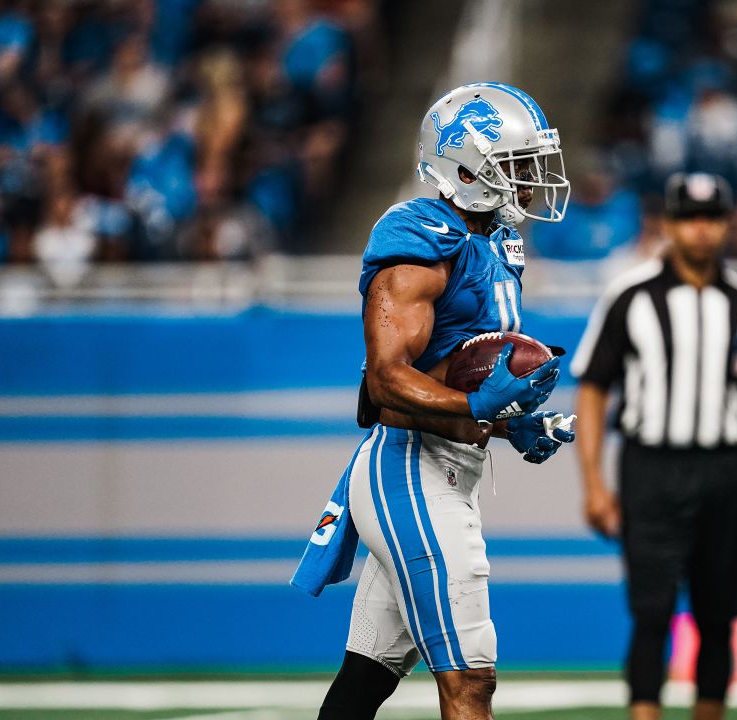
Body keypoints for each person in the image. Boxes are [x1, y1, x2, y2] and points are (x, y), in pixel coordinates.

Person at [290, 82, 574, 720]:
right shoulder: (419, 236)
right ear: (467, 164)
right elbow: (385, 383)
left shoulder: (496, 244)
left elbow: (458, 374)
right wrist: (477, 411)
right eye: (516, 163)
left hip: (446, 465)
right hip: (409, 470)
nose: (530, 181)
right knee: (470, 679)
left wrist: (513, 422)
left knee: (367, 676)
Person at [573, 172, 737, 720]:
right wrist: (594, 483)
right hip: (650, 467)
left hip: (724, 469)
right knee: (650, 612)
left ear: (726, 225)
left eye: (710, 219)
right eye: (689, 219)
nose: (700, 231)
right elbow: (593, 389)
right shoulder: (630, 297)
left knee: (718, 616)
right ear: (670, 225)